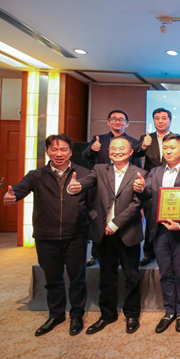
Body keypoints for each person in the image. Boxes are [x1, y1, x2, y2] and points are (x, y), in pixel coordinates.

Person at [4, 134, 90, 336]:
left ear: (70, 152)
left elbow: (94, 202)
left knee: (77, 278)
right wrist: (11, 196)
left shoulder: (84, 173)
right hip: (46, 236)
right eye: (54, 149)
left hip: (75, 235)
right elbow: (18, 190)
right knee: (52, 279)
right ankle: (56, 314)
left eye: (63, 149)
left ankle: (77, 315)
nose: (59, 153)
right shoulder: (36, 175)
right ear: (48, 151)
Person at [68, 136, 147, 335]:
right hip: (102, 231)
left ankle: (132, 314)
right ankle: (107, 314)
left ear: (131, 152)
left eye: (122, 148)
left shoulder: (141, 173)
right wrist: (76, 187)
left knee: (131, 276)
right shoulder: (99, 169)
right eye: (113, 148)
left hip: (127, 231)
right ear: (109, 151)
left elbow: (137, 203)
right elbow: (85, 183)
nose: (117, 151)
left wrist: (115, 223)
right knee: (106, 276)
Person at [133, 134, 180, 333]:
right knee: (165, 274)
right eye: (166, 148)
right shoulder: (154, 172)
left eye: (172, 147)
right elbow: (147, 195)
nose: (168, 151)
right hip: (160, 231)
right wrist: (140, 189)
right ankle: (169, 311)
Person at [82, 109, 141, 267]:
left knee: (124, 216)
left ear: (127, 124)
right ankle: (96, 254)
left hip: (125, 185)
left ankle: (123, 252)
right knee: (100, 218)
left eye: (121, 119)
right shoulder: (98, 139)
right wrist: (91, 149)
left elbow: (137, 165)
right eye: (114, 119)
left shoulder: (134, 142)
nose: (117, 122)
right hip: (102, 186)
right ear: (108, 122)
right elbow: (85, 157)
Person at [134, 107, 180, 267]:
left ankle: (172, 249)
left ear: (170, 120)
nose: (160, 121)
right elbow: (136, 154)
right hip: (152, 183)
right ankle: (149, 252)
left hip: (173, 186)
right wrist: (143, 146)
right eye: (157, 118)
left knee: (174, 217)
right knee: (151, 219)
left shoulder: (177, 138)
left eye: (164, 118)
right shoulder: (147, 138)